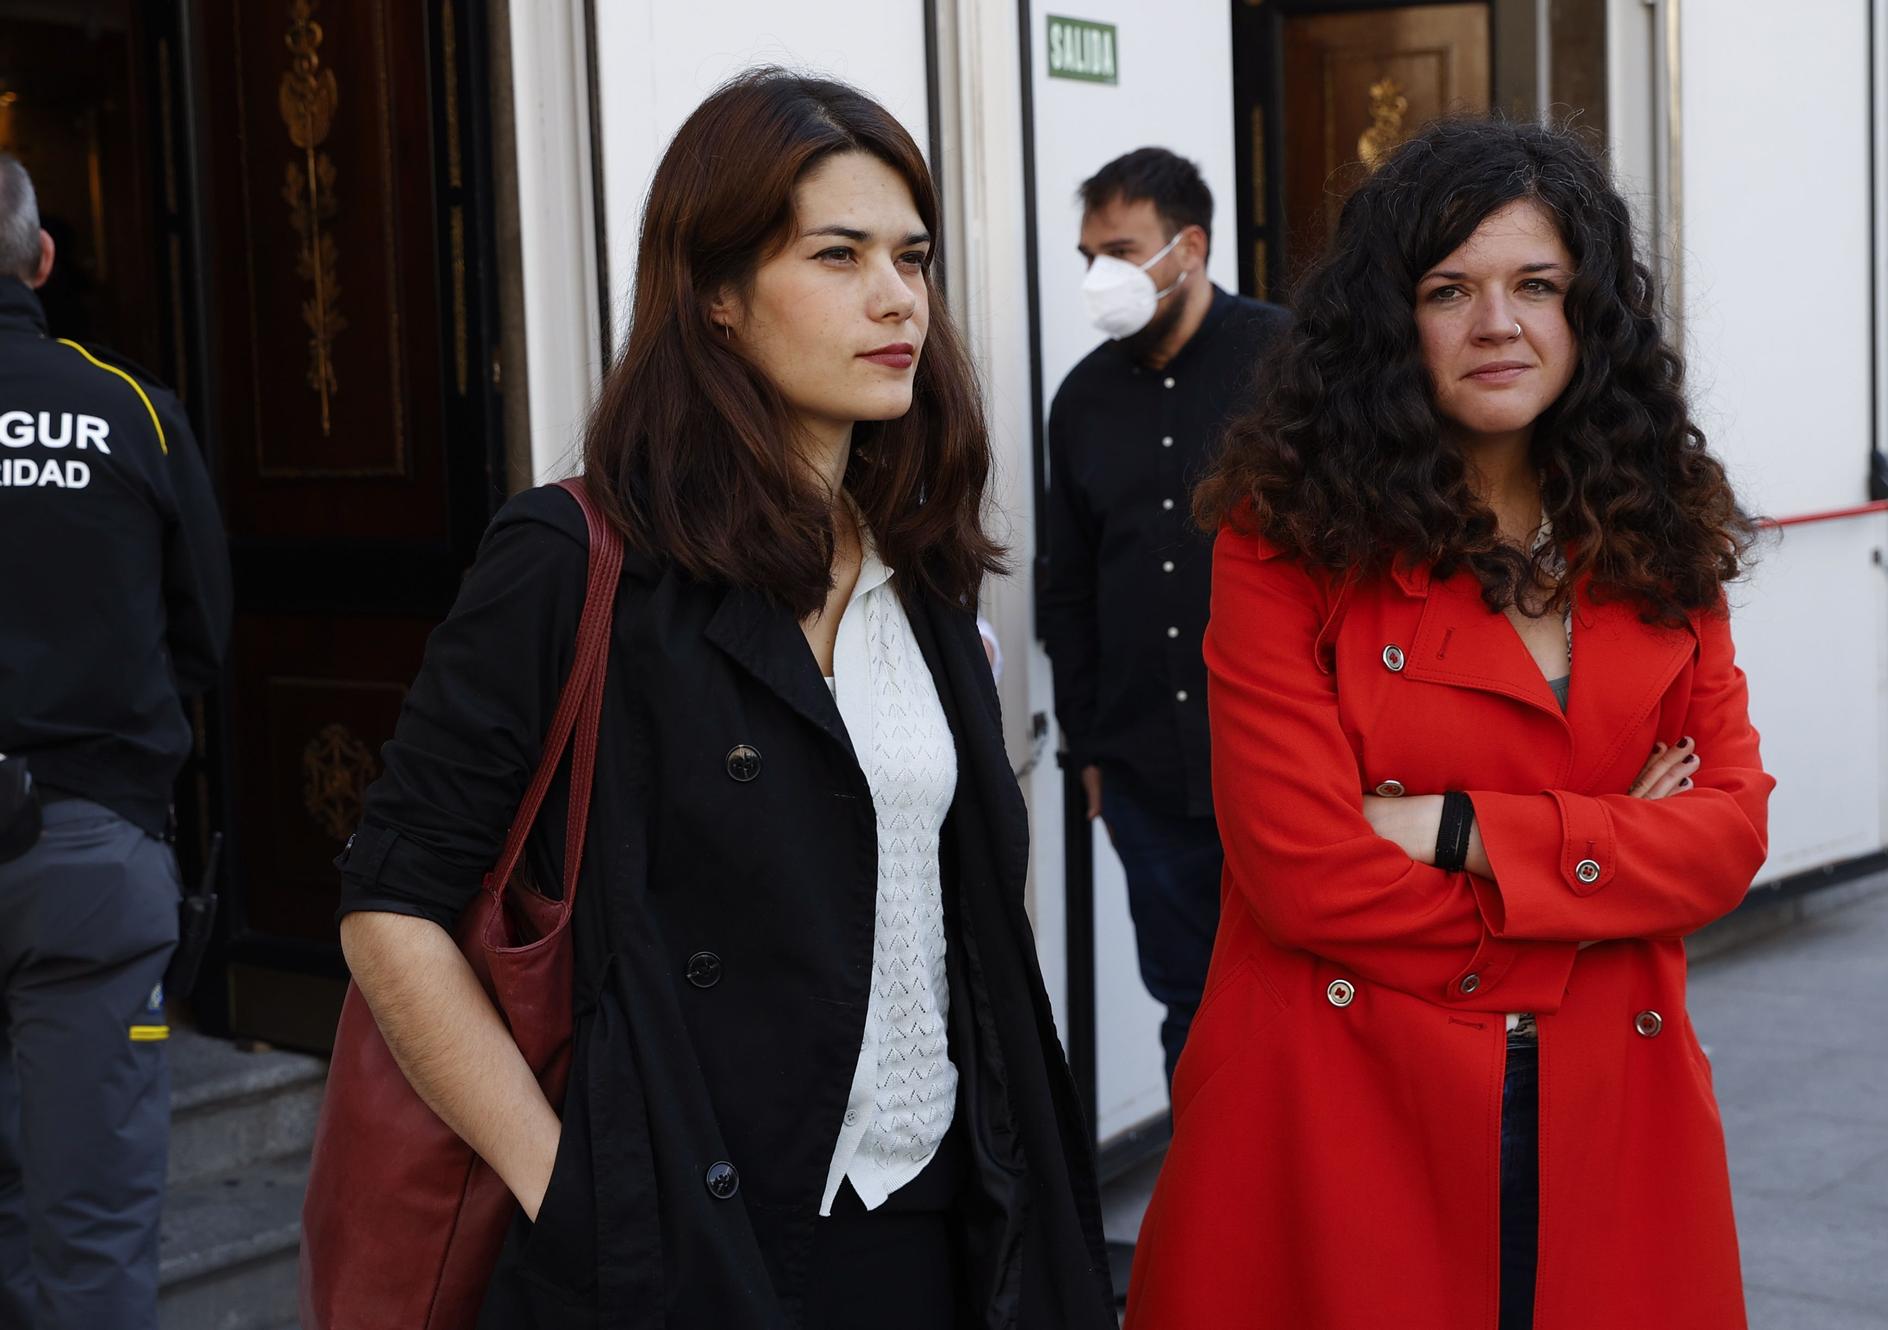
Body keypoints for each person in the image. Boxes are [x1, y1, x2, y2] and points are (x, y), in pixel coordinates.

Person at [333, 70, 1115, 1328]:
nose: (894, 298)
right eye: (838, 254)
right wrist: (574, 1193)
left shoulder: (919, 572)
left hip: (941, 1210)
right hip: (683, 1235)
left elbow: (956, 892)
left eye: (911, 258)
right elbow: (390, 909)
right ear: (715, 293)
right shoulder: (572, 558)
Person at [1123, 119, 1775, 1330]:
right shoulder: (1282, 539)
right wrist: (1596, 879)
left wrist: (1460, 825)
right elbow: (1304, 875)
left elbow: (1727, 833)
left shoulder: (1662, 530)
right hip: (1338, 1111)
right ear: (1388, 323)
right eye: (1447, 289)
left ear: (1589, 315)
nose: (1497, 323)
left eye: (1536, 284)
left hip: (1610, 1107)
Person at [0, 153, 231, 1329]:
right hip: (91, 854)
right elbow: (207, 630)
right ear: (41, 259)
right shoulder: (130, 408)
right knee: (92, 1241)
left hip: (83, 845)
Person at [1041, 148, 1290, 1091]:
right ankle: (1213, 1233)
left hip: (1279, 760)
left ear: (1189, 247)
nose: (1098, 275)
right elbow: (1070, 589)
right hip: (1145, 774)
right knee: (1190, 1009)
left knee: (1309, 1001)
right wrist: (1089, 752)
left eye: (1120, 249)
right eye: (1086, 254)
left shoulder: (1288, 363)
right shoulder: (1083, 398)